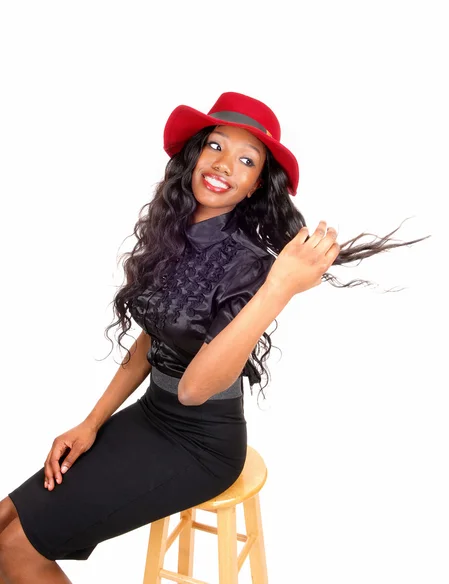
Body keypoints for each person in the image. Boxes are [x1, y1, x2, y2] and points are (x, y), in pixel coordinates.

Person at [0, 92, 428, 582]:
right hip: (150, 418)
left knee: (16, 549)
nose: (225, 165)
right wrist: (91, 422)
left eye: (246, 160)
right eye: (216, 147)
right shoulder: (171, 231)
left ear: (253, 187)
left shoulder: (251, 266)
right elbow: (149, 342)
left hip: (201, 446)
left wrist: (280, 288)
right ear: (196, 155)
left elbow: (193, 389)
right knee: (3, 522)